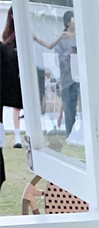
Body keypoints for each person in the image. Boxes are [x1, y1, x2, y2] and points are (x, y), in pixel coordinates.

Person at [33, 10, 80, 139]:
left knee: (80, 105)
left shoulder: (79, 36)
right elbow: (57, 56)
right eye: (73, 19)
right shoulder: (63, 38)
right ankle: (70, 134)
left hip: (80, 77)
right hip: (68, 78)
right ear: (68, 22)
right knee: (69, 107)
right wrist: (70, 54)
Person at [1, 7, 24, 148]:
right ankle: (17, 136)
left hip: (21, 71)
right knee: (16, 106)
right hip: (14, 72)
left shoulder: (25, 32)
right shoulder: (8, 36)